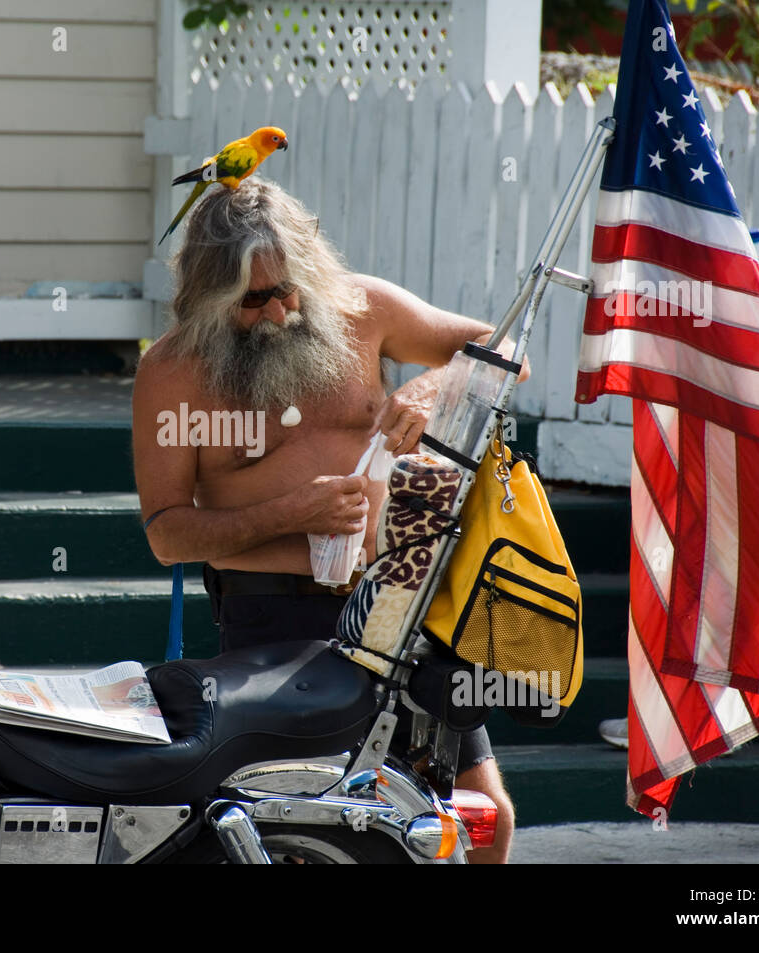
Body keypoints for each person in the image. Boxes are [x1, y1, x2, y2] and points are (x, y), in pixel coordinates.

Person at [131, 176, 528, 863]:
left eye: (289, 288)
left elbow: (503, 348)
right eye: (254, 300)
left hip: (398, 605)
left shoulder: (360, 307)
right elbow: (167, 532)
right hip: (270, 621)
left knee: (483, 817)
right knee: (305, 827)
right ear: (207, 296)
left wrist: (434, 388)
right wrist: (296, 511)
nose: (281, 311)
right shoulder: (173, 370)